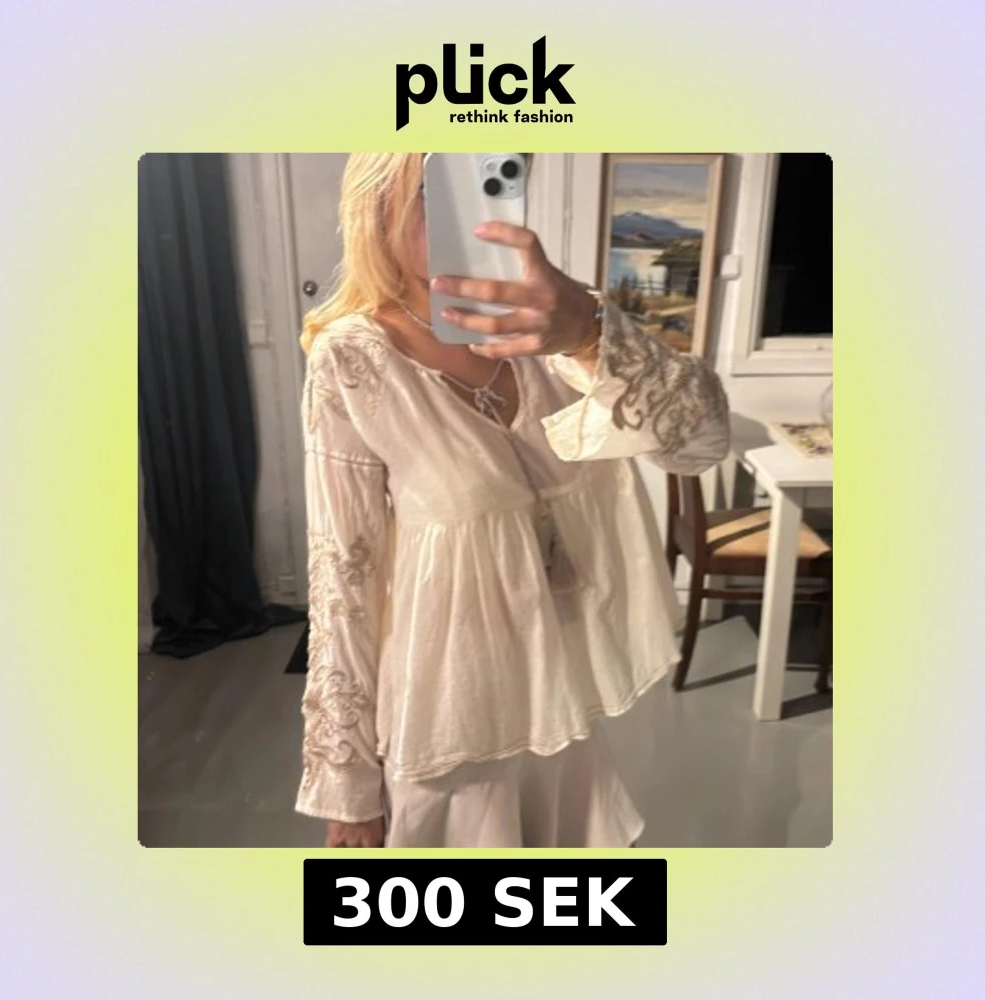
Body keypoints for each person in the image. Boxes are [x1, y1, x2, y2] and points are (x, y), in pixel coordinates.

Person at [294, 153, 730, 848]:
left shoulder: (553, 326)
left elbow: (701, 444)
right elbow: (342, 579)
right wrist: (346, 785)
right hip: (449, 727)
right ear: (377, 204)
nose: (471, 204)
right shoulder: (356, 359)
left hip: (560, 711)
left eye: (496, 176)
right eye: (435, 186)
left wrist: (592, 332)